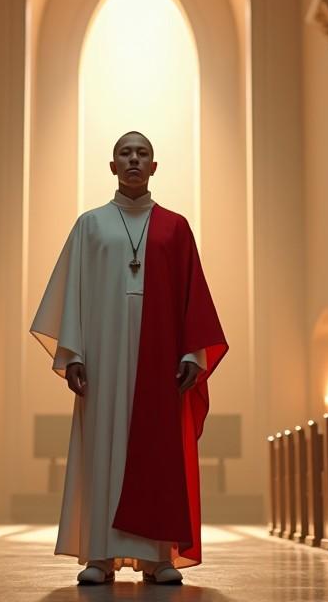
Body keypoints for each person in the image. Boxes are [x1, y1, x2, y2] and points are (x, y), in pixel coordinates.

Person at [30, 130, 228, 585]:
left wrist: (192, 354)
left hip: (158, 356)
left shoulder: (174, 227)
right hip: (102, 351)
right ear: (113, 165)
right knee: (102, 443)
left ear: (154, 167)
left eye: (142, 154)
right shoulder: (90, 224)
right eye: (125, 153)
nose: (134, 159)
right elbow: (73, 291)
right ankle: (99, 554)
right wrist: (74, 352)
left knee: (157, 450)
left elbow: (192, 295)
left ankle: (158, 557)